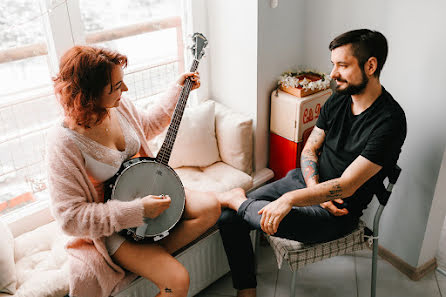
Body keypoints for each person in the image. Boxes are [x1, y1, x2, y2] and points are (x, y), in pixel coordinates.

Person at [216, 29, 407, 297]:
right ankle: (246, 290)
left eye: (342, 65)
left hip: (337, 212)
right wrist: (310, 186)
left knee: (247, 211)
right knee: (229, 219)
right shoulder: (338, 98)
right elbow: (310, 149)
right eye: (333, 64)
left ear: (371, 66)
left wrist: (291, 199)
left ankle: (236, 199)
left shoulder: (390, 122)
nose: (333, 73)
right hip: (305, 182)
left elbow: (347, 185)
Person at [46, 45, 225, 297]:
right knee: (177, 280)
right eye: (116, 86)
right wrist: (137, 211)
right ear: (88, 95)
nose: (125, 90)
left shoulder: (118, 106)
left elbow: (148, 125)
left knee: (210, 207)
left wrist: (177, 90)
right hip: (112, 228)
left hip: (147, 195)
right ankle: (148, 258)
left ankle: (149, 252)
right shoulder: (63, 142)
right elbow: (70, 218)